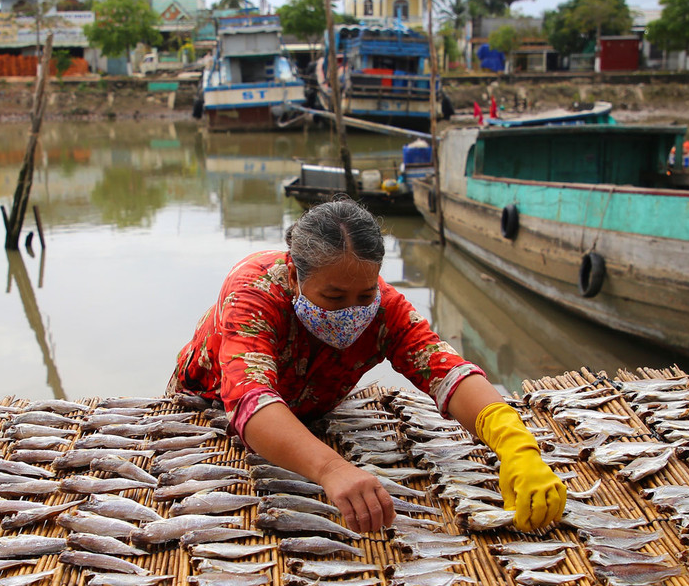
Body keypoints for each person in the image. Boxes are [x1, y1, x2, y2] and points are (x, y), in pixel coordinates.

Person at [170, 201, 566, 536]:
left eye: (365, 293)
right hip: (208, 408)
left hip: (310, 414)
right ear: (294, 276)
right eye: (333, 296)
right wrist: (330, 468)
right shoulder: (253, 291)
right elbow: (249, 399)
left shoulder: (385, 308)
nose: (352, 311)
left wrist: (516, 445)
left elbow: (443, 368)